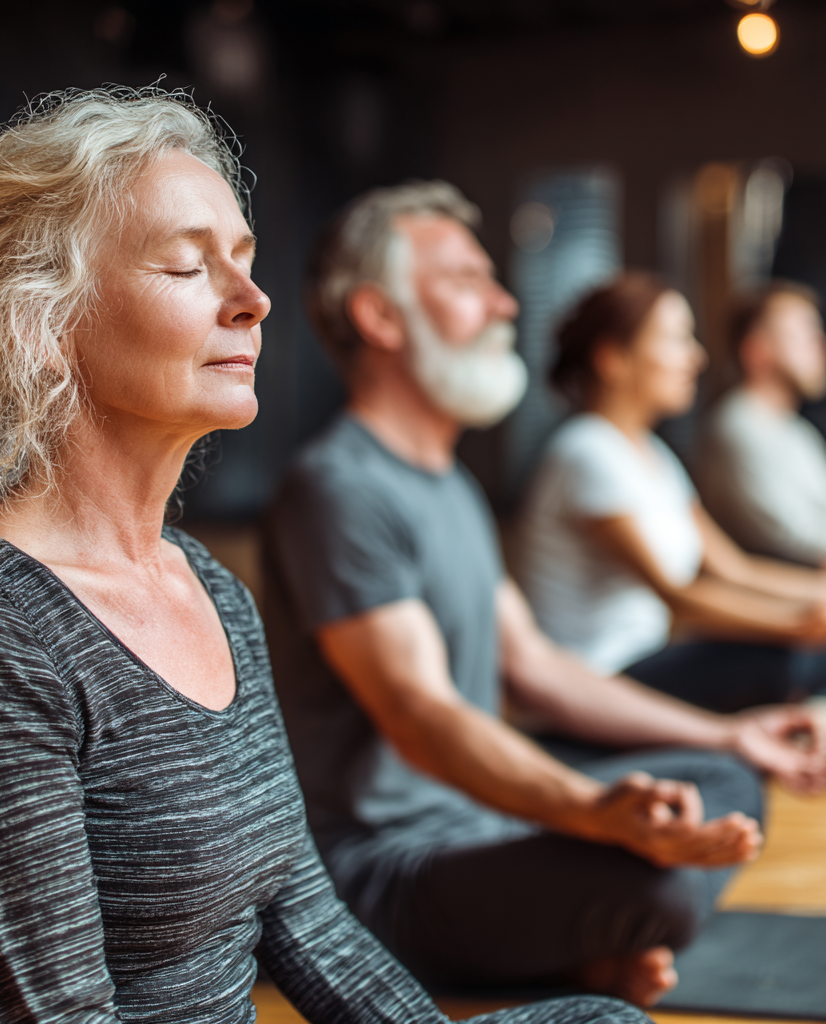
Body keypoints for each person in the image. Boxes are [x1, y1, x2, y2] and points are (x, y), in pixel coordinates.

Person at [0, 90, 645, 1024]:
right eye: (188, 267)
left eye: (243, 261)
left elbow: (308, 924)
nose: (253, 301)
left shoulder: (214, 592)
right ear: (44, 323)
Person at [263, 181, 826, 1010]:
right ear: (381, 318)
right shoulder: (339, 488)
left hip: (478, 824)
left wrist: (732, 734)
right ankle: (548, 950)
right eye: (465, 281)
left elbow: (533, 667)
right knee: (660, 891)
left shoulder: (447, 483)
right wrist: (593, 809)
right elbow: (420, 715)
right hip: (380, 874)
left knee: (727, 783)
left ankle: (566, 953)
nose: (502, 303)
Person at [519, 273, 826, 712]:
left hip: (648, 658)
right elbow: (676, 595)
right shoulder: (586, 452)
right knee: (784, 658)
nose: (696, 358)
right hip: (599, 678)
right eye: (676, 340)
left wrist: (817, 599)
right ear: (613, 359)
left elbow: (734, 569)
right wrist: (796, 626)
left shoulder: (655, 456)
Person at [698, 281, 826, 567]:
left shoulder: (796, 429)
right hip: (785, 595)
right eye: (803, 334)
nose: (820, 345)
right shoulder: (737, 425)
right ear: (757, 350)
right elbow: (788, 538)